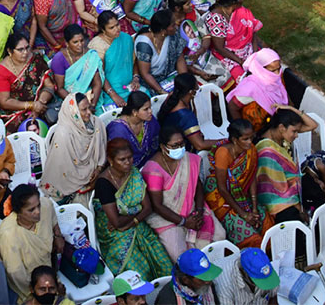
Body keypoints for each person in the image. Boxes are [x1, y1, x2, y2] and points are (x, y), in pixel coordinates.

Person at [143, 124, 226, 260]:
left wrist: (199, 211)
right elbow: (157, 206)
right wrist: (184, 221)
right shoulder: (153, 169)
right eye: (174, 146)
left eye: (182, 144)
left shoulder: (188, 159)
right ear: (163, 147)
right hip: (166, 217)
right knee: (180, 254)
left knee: (219, 236)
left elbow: (198, 186)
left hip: (191, 208)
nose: (179, 148)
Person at [94, 138, 172, 280]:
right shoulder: (104, 183)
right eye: (122, 159)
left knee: (165, 265)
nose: (128, 162)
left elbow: (148, 208)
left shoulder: (134, 174)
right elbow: (116, 223)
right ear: (111, 160)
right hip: (115, 236)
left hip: (137, 226)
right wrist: (137, 209)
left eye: (130, 158)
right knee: (140, 273)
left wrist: (131, 222)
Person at [0, 184, 63, 302]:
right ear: (18, 212)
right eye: (31, 210)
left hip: (49, 272)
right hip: (28, 288)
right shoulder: (8, 236)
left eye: (38, 206)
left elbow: (51, 214)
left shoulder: (45, 206)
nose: (38, 212)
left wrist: (58, 235)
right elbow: (16, 274)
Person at [40, 92, 106, 202]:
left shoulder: (97, 124)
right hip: (70, 180)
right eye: (84, 110)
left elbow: (101, 156)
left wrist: (98, 169)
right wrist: (84, 177)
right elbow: (62, 170)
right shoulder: (63, 134)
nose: (89, 113)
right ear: (73, 112)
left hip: (93, 176)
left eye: (89, 108)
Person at [226, 48, 288, 132]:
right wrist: (243, 130)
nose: (277, 73)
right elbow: (232, 106)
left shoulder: (275, 78)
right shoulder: (252, 87)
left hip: (271, 122)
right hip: (256, 128)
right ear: (261, 68)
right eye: (273, 70)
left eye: (279, 68)